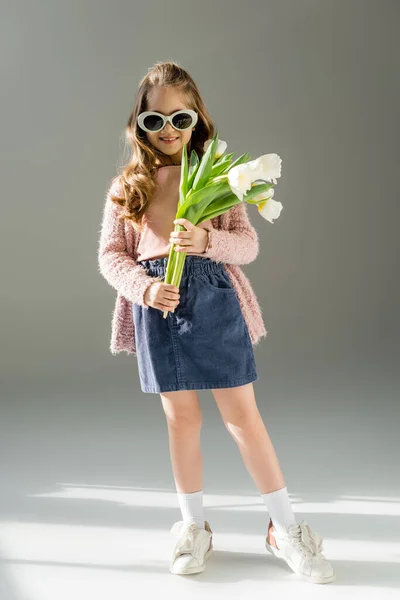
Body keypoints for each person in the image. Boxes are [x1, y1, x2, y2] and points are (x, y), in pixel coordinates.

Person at [97, 60, 335, 584]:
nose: (168, 132)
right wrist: (144, 287)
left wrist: (208, 242)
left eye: (179, 119)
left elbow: (246, 245)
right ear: (138, 125)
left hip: (214, 299)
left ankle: (285, 527)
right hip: (157, 306)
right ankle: (193, 526)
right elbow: (111, 256)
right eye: (153, 122)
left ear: (198, 119)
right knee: (181, 420)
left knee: (242, 418)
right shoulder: (129, 185)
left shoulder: (219, 179)